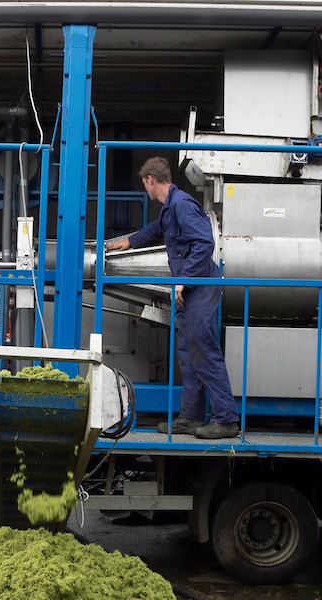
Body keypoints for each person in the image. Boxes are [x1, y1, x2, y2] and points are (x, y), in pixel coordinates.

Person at [106, 157, 239, 439]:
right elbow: (158, 230)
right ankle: (191, 417)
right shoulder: (170, 209)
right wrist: (130, 241)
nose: (145, 189)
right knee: (188, 354)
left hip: (199, 286)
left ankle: (226, 419)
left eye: (144, 184)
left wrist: (182, 281)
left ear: (150, 180)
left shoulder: (181, 204)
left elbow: (205, 243)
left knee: (204, 350)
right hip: (189, 290)